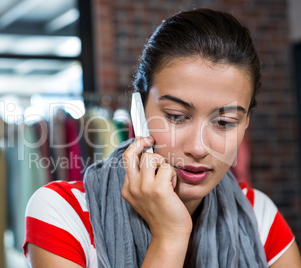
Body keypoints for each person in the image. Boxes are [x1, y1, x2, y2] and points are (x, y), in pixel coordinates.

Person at [23, 8, 301, 268]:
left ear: (245, 124)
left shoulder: (258, 217)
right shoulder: (63, 214)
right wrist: (170, 236)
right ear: (139, 111)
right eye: (176, 116)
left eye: (225, 122)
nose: (197, 148)